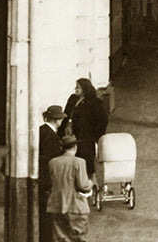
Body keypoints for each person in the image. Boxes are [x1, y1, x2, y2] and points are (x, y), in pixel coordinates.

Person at [46, 134, 91, 242]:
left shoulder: (52, 162)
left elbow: (50, 182)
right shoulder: (79, 162)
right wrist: (90, 183)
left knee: (60, 238)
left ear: (62, 148)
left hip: (56, 206)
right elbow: (83, 185)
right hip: (75, 207)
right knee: (78, 238)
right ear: (75, 147)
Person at [62, 79, 107, 177]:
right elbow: (66, 114)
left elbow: (102, 121)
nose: (75, 89)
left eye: (78, 87)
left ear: (85, 89)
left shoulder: (95, 102)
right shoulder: (73, 98)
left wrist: (95, 137)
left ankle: (87, 185)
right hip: (70, 134)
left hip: (85, 138)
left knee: (86, 162)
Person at [38, 105, 65, 242]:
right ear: (57, 121)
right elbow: (53, 162)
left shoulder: (40, 130)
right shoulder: (53, 137)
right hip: (47, 181)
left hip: (38, 178)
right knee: (48, 216)